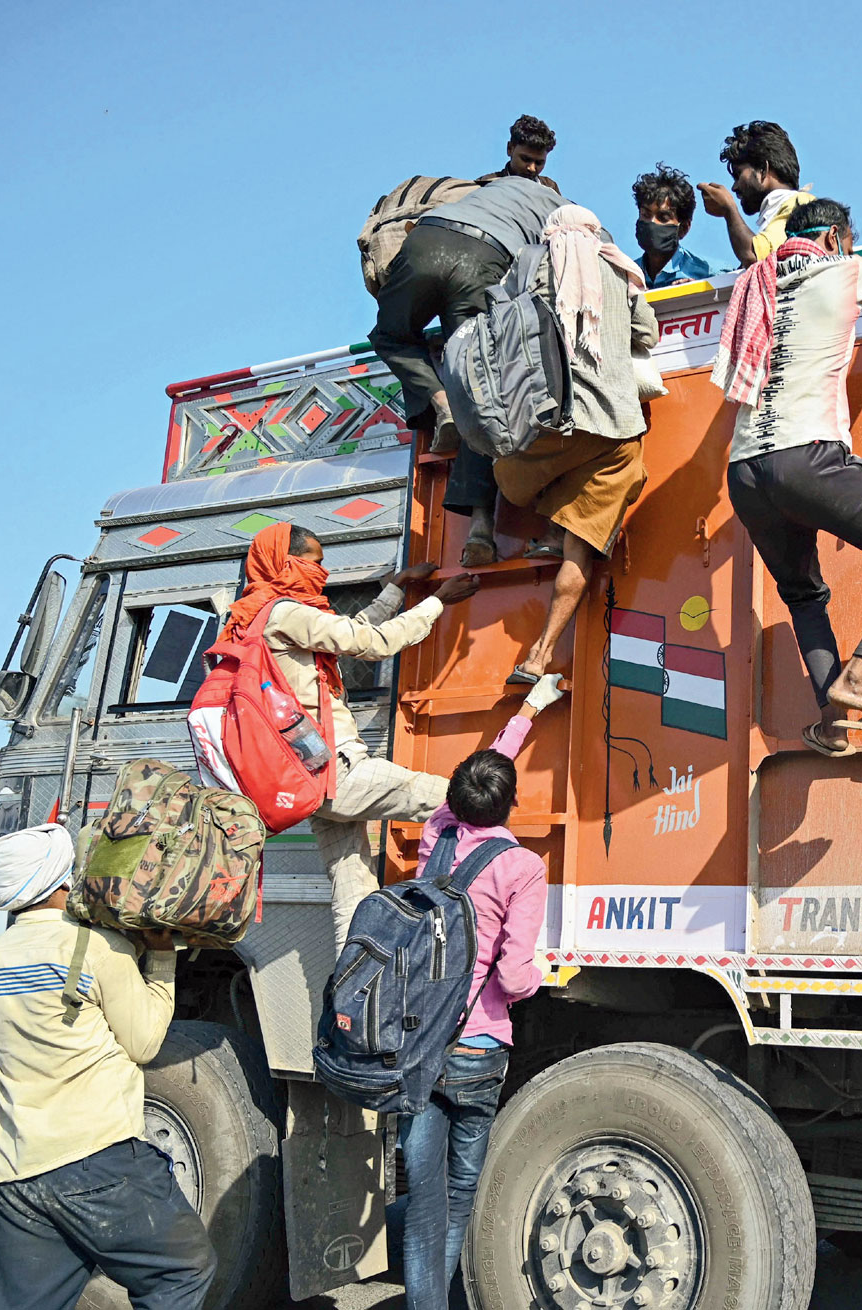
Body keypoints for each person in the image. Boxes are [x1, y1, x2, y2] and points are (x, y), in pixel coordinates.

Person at [711, 198, 862, 755]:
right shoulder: (844, 269)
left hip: (745, 473)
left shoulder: (757, 281)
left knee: (802, 594)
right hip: (809, 456)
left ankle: (834, 719)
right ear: (838, 237)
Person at [0, 824, 214, 1310]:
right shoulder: (94, 946)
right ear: (60, 883)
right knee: (184, 1270)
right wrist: (163, 959)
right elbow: (144, 1041)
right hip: (96, 1158)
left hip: (19, 1166)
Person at [219, 521, 479, 945]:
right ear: (287, 562)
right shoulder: (284, 612)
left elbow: (346, 632)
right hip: (333, 771)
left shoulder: (252, 618)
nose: (322, 573)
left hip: (303, 780)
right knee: (460, 797)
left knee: (352, 892)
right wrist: (436, 602)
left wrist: (394, 590)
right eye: (315, 562)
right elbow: (371, 642)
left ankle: (348, 995)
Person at [401, 676, 561, 1310]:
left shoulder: (437, 834)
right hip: (476, 1048)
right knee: (460, 1192)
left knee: (422, 1198)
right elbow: (515, 978)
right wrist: (546, 975)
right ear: (511, 805)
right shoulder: (521, 867)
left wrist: (524, 714)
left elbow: (483, 770)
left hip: (416, 1043)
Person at [368, 155, 569, 566]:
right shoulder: (556, 209)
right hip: (484, 259)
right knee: (479, 387)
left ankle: (439, 403)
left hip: (428, 240)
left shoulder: (486, 191)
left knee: (389, 334)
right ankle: (480, 530)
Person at [498, 204, 658, 686]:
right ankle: (540, 655)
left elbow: (500, 331)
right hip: (619, 433)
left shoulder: (529, 264)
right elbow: (647, 335)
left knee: (507, 478)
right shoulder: (621, 268)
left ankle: (547, 521)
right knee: (580, 549)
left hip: (552, 424)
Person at [698, 121, 815, 267]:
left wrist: (729, 209)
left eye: (738, 175)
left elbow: (753, 257)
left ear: (763, 170)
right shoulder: (779, 211)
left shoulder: (800, 204)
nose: (734, 187)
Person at [633, 163, 715, 288]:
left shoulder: (710, 275)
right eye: (645, 214)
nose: (652, 223)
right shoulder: (626, 277)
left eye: (663, 218)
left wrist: (702, 293)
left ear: (684, 228)